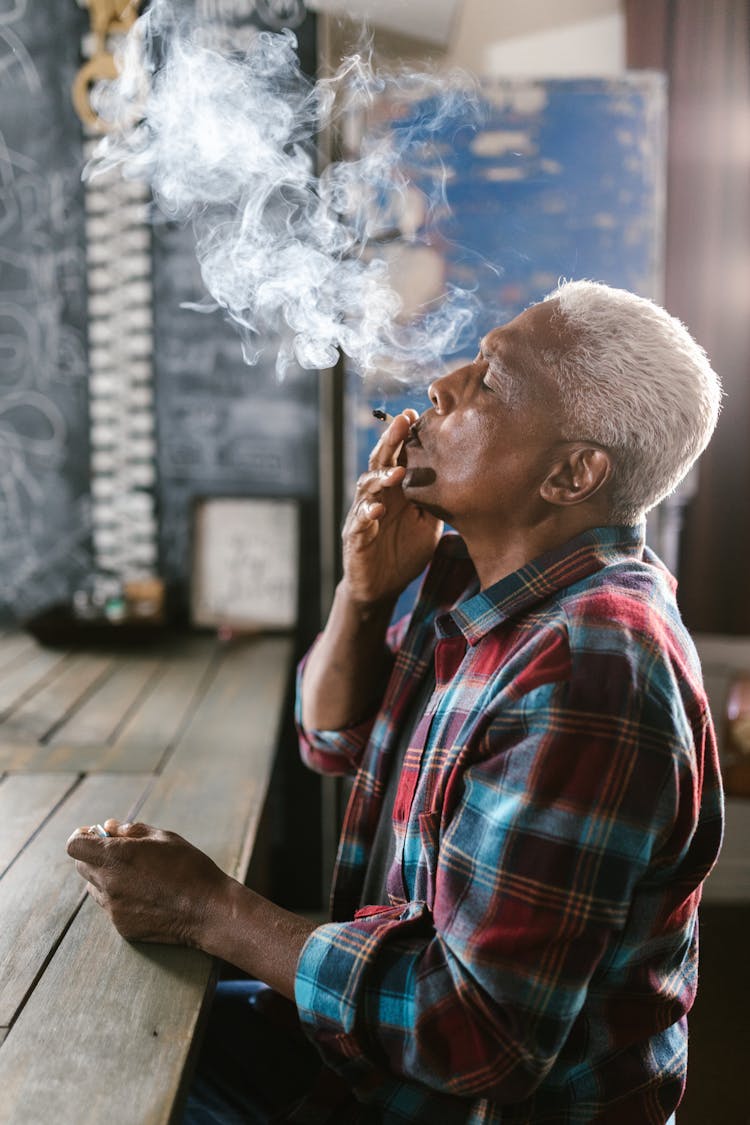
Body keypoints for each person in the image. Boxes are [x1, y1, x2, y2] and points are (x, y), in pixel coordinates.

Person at [68, 280, 724, 1124]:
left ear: (572, 472)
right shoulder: (484, 583)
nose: (442, 386)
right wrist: (366, 591)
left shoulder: (587, 663)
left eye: (489, 378)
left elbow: (476, 1033)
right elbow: (331, 739)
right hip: (373, 1070)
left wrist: (209, 909)